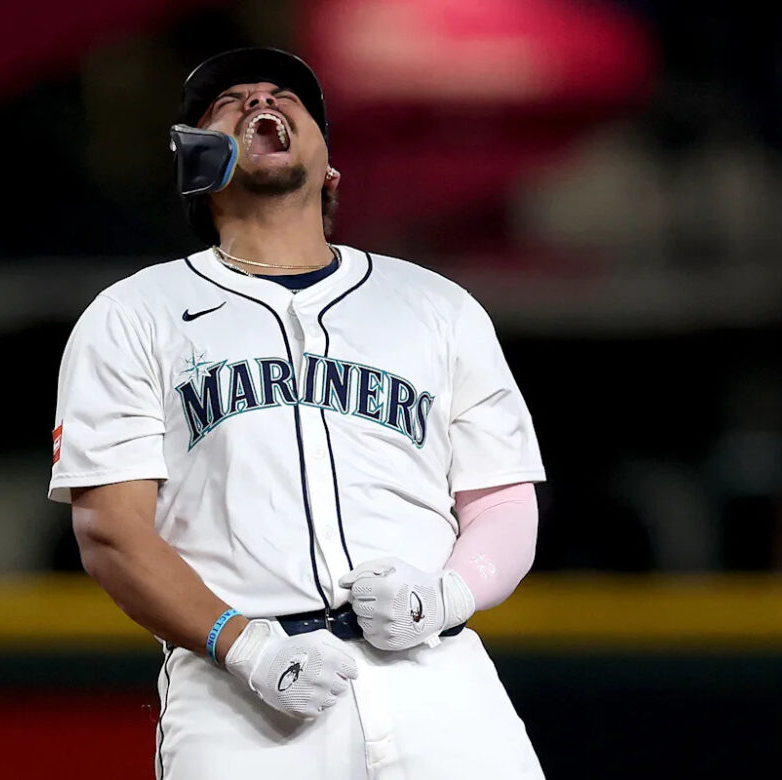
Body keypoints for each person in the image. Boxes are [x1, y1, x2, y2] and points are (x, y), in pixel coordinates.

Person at [49, 47, 547, 779]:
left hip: (439, 679)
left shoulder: (437, 306)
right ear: (197, 164)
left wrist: (447, 596)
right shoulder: (133, 314)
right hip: (240, 702)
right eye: (230, 102)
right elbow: (110, 532)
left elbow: (502, 500)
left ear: (330, 169)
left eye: (285, 95)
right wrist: (245, 647)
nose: (261, 100)